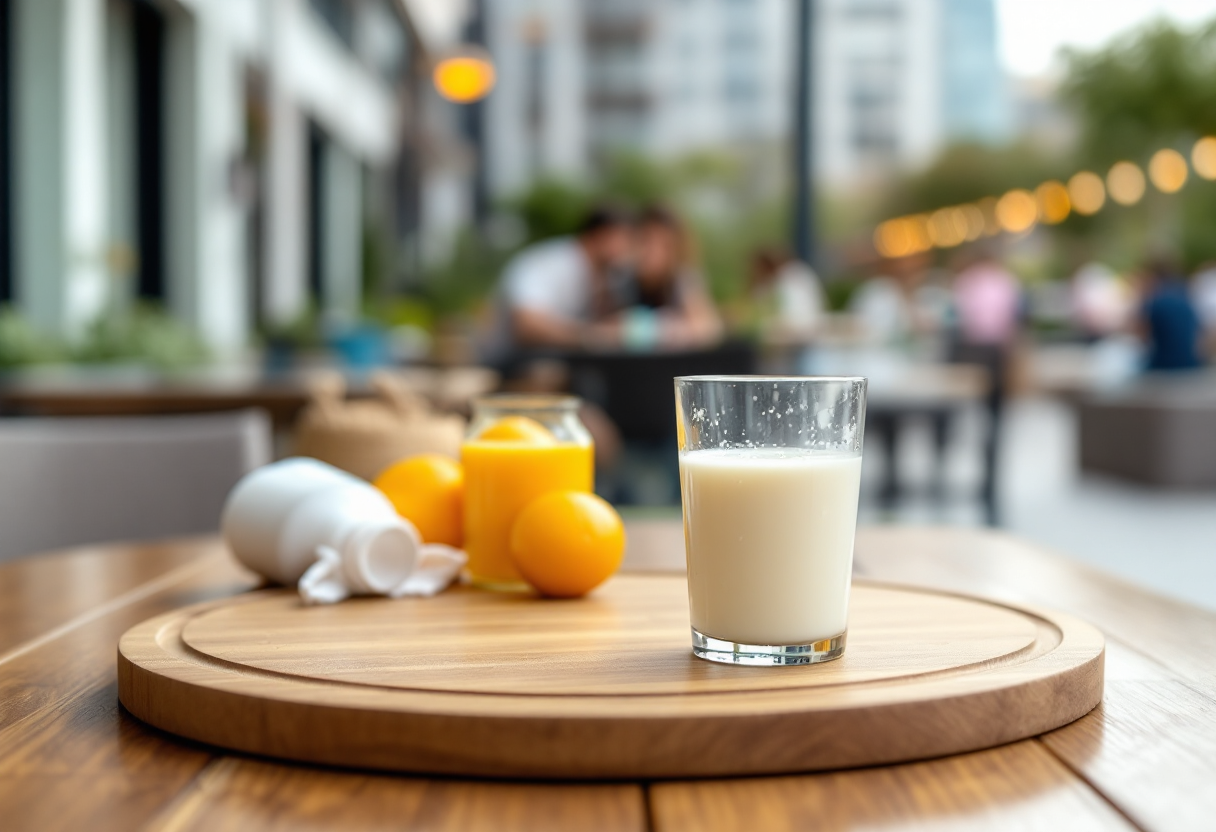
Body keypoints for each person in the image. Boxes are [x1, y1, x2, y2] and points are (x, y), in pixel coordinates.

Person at [497, 205, 634, 354]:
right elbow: (525, 325)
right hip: (507, 360)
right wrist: (595, 336)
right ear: (601, 235)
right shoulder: (553, 263)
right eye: (625, 239)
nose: (628, 250)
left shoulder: (606, 275)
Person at [619, 206, 722, 350]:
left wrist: (651, 327)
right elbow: (599, 330)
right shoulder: (620, 278)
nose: (652, 251)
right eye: (645, 240)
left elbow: (708, 329)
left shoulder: (683, 278)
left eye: (663, 245)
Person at [1138, 260, 1203, 371]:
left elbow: (1143, 337)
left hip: (1164, 364)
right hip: (1190, 362)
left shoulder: (1154, 302)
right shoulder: (1185, 298)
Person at [749, 246, 825, 340]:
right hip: (812, 328)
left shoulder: (784, 278)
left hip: (797, 332)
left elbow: (759, 302)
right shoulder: (799, 270)